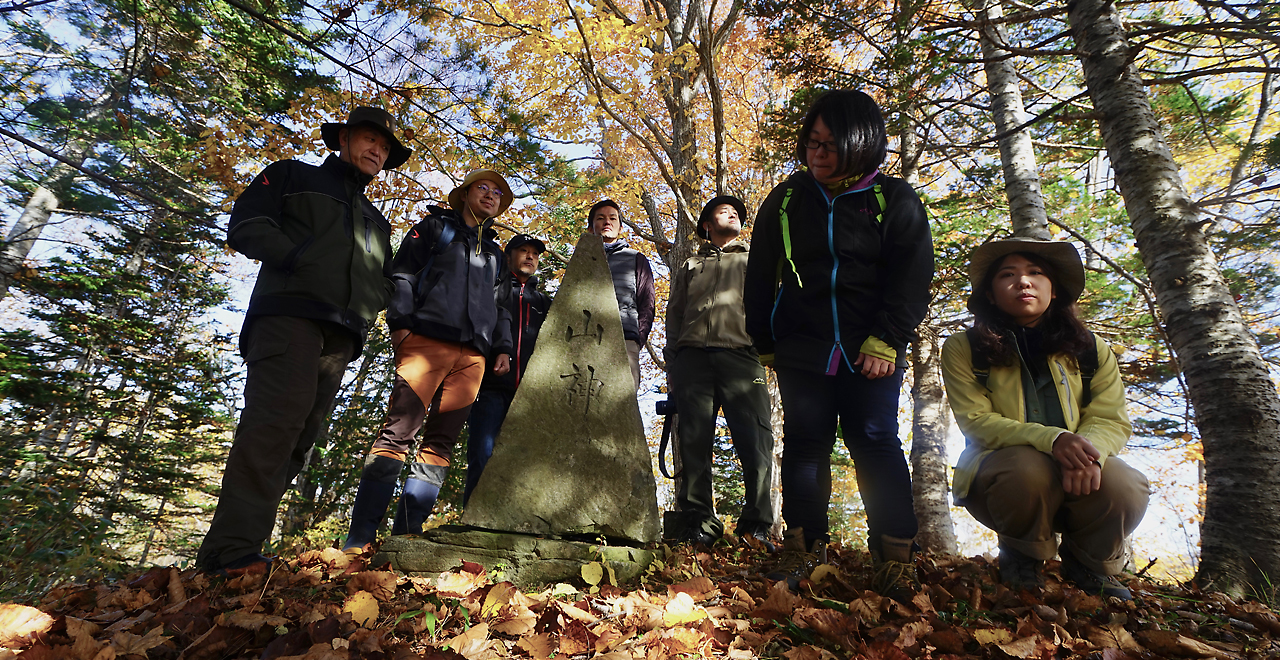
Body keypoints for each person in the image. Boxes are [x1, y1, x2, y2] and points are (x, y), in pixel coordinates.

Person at [196, 106, 412, 576]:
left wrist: (379, 299)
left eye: (385, 146)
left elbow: (384, 277)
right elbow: (248, 223)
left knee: (299, 440)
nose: (377, 150)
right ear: (344, 140)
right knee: (273, 426)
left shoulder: (378, 221)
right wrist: (297, 259)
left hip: (342, 336)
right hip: (287, 317)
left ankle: (240, 549)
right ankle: (230, 555)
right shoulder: (292, 175)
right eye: (369, 139)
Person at [743, 90, 934, 596]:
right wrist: (765, 341)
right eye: (812, 142)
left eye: (832, 144)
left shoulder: (892, 199)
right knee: (806, 443)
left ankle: (895, 557)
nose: (819, 154)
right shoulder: (786, 200)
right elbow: (761, 275)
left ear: (863, 143)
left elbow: (911, 277)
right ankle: (803, 551)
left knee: (874, 442)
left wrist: (887, 340)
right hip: (801, 346)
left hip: (871, 348)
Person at [941, 237, 1149, 599]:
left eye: (1035, 273)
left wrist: (1088, 452)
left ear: (1054, 291)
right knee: (1026, 468)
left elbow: (1111, 418)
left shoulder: (1091, 348)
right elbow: (976, 421)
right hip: (1003, 475)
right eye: (1008, 275)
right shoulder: (965, 348)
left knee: (1125, 484)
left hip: (1080, 471)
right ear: (990, 294)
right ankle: (1022, 558)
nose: (1023, 282)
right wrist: (1053, 440)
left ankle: (1089, 564)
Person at [343, 169, 515, 552]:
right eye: (483, 188)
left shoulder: (496, 254)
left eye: (498, 193)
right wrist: (401, 326)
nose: (491, 195)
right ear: (465, 193)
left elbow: (502, 306)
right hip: (425, 343)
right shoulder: (436, 229)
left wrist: (501, 347)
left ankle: (406, 538)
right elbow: (401, 275)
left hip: (473, 355)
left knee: (440, 443)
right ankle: (360, 541)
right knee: (397, 434)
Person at [666, 196, 775, 548]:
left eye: (737, 213)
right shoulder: (691, 264)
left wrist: (769, 351)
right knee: (694, 444)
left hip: (743, 357)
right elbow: (676, 313)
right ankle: (699, 522)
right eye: (722, 211)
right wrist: (675, 359)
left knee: (755, 442)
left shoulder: (757, 259)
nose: (732, 214)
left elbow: (774, 304)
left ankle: (756, 526)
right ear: (706, 225)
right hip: (693, 360)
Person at [463, 233, 552, 505]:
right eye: (523, 251)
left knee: (527, 462)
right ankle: (472, 518)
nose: (530, 257)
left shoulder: (546, 304)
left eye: (535, 254)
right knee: (482, 453)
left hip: (530, 395)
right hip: (491, 386)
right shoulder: (493, 289)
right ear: (509, 255)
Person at [587, 199, 655, 391]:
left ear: (620, 226)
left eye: (612, 218)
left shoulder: (636, 259)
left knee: (622, 405)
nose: (607, 222)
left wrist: (637, 339)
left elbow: (647, 304)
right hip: (585, 341)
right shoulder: (582, 260)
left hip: (624, 340)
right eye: (600, 218)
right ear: (591, 228)